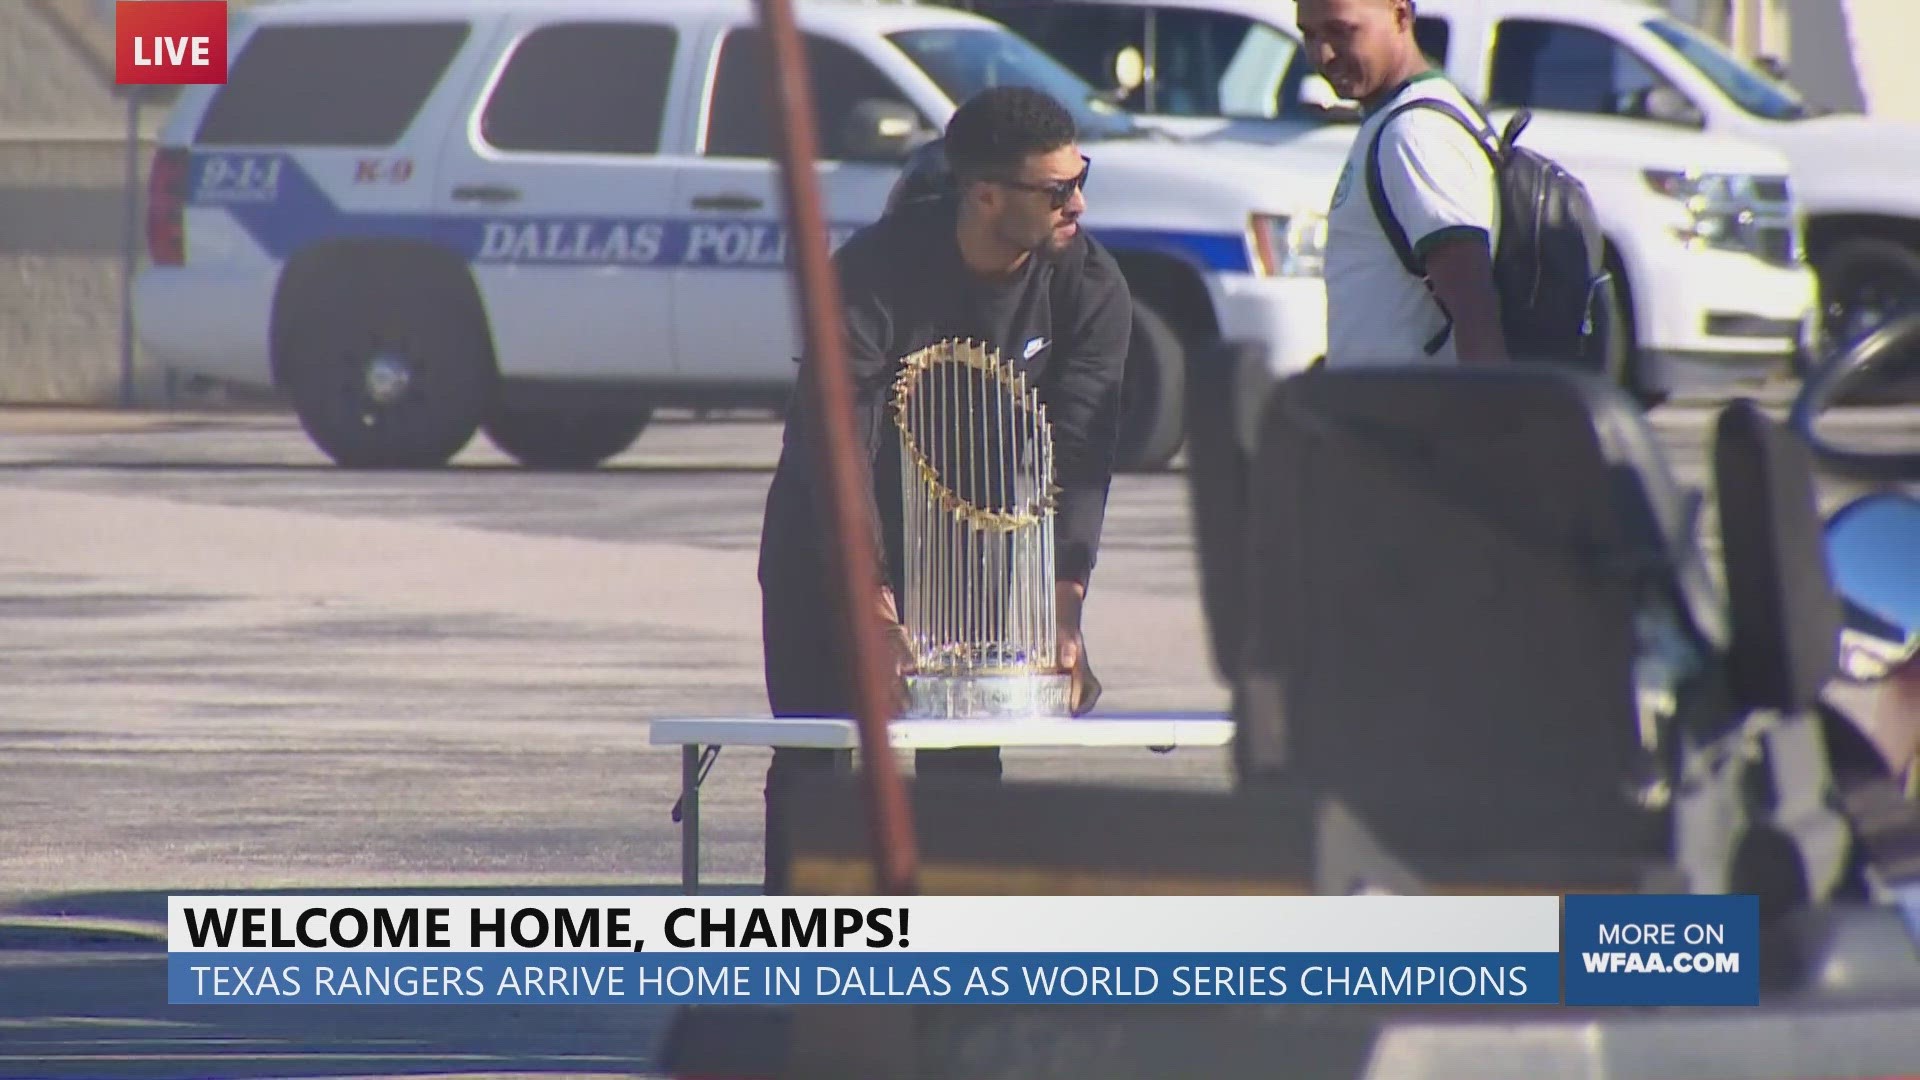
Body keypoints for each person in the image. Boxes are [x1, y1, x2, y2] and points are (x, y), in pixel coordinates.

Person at [753, 86, 1133, 893]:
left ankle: (951, 979)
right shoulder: (873, 272)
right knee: (819, 759)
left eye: (1080, 177)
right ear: (986, 193)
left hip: (966, 536)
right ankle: (797, 979)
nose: (1079, 202)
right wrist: (875, 610)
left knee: (962, 765)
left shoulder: (1089, 285)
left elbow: (1081, 452)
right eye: (1057, 188)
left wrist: (1065, 611)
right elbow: (837, 444)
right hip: (831, 529)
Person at [1301, 0, 1508, 366]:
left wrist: (1487, 417)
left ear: (1400, 16)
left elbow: (1474, 308)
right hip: (1373, 409)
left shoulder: (1415, 134)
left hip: (1408, 415)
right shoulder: (1393, 120)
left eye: (1340, 31)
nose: (1323, 54)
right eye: (1310, 35)